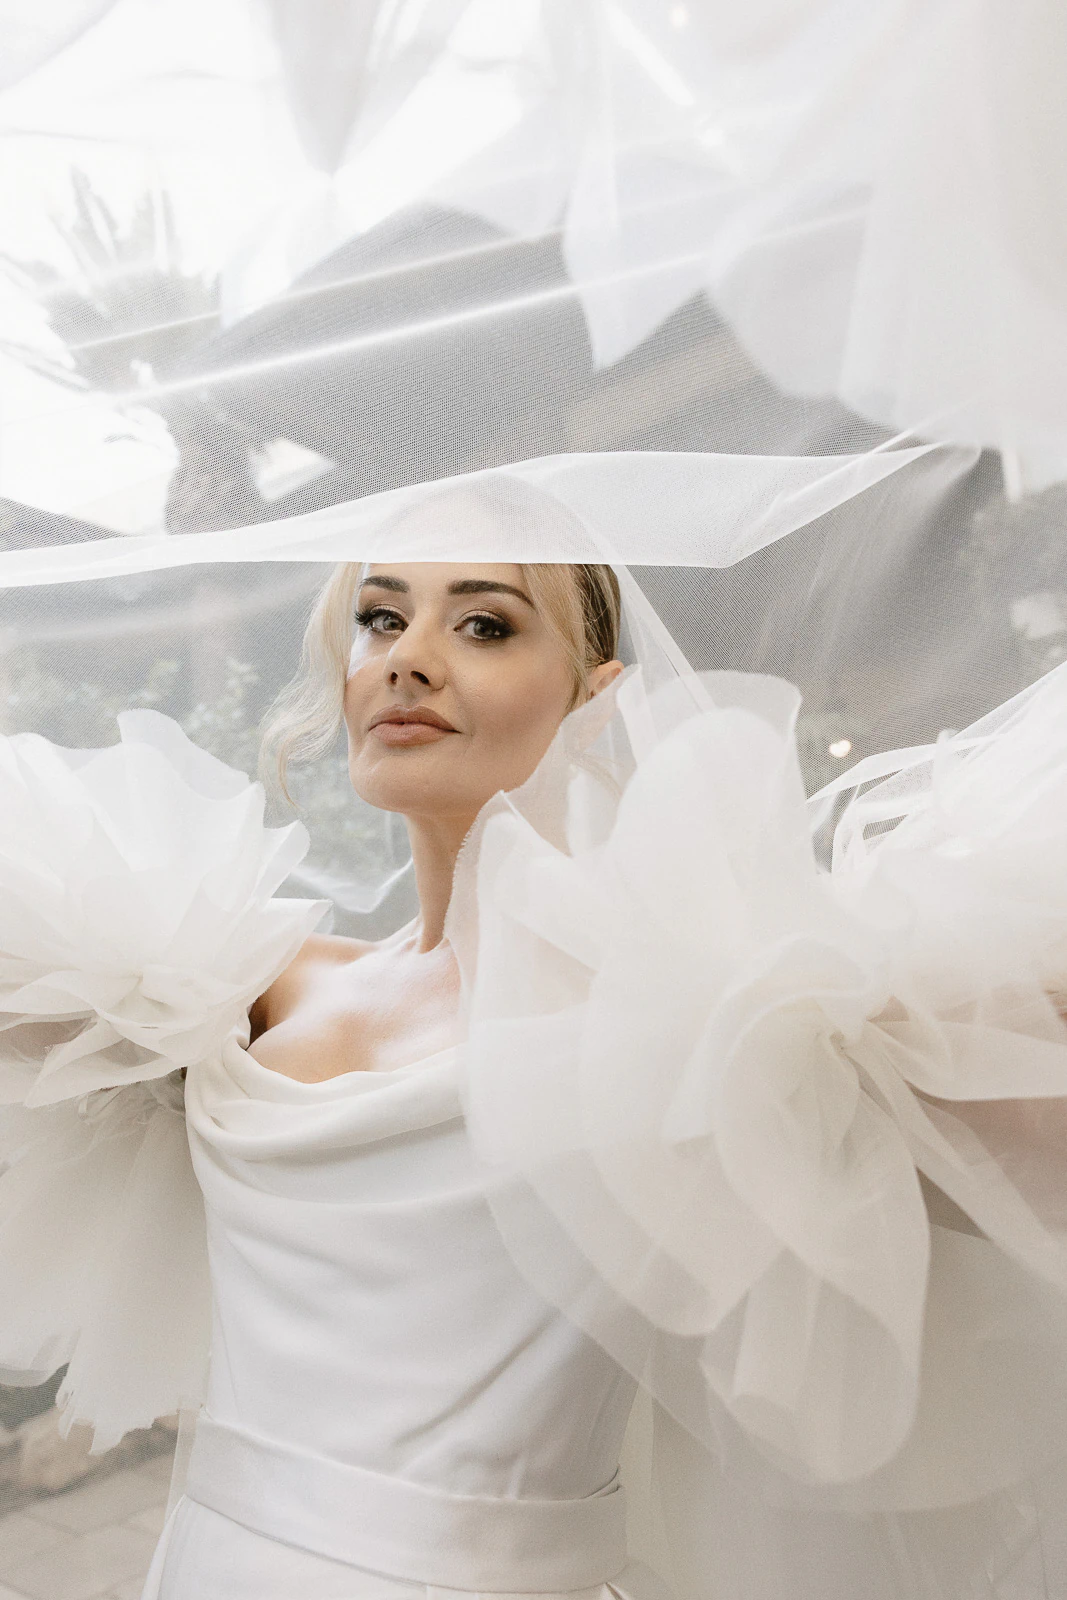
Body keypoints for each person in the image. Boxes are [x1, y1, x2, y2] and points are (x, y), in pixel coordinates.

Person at [3, 483, 1067, 1600]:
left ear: (594, 699)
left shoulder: (691, 1015)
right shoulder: (243, 981)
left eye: (483, 623)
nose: (407, 659)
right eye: (380, 617)